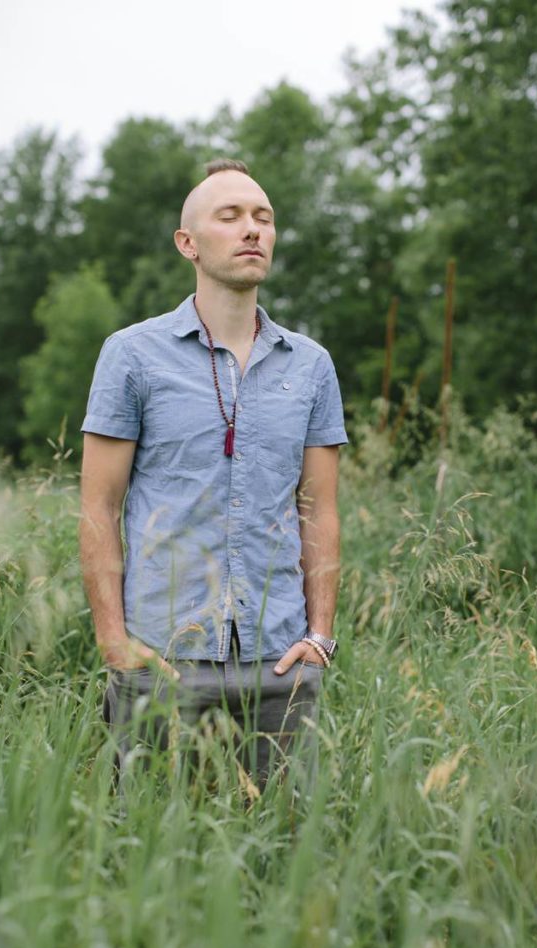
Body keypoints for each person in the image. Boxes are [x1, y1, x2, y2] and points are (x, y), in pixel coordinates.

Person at [79, 158, 348, 796]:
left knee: (282, 852)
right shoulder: (132, 355)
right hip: (161, 659)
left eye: (263, 218)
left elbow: (322, 509)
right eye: (230, 217)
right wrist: (114, 642)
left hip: (278, 660)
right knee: (143, 852)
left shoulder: (310, 365)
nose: (252, 229)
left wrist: (320, 638)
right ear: (189, 244)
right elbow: (99, 507)